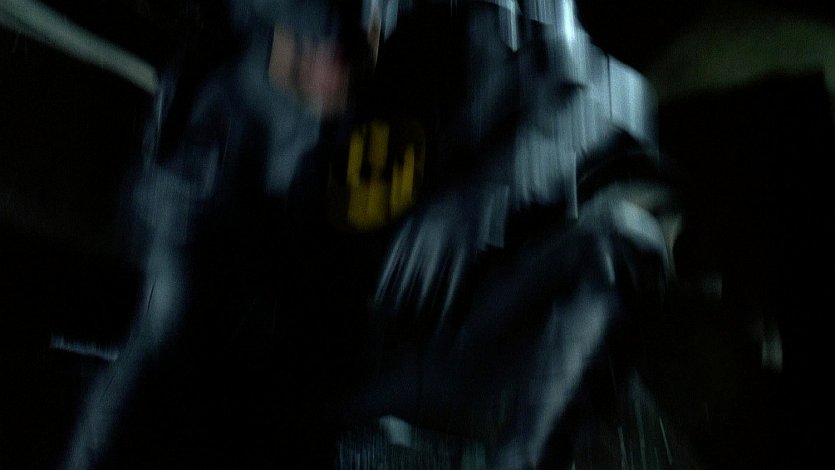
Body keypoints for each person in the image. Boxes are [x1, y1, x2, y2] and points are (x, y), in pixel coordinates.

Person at [62, 1, 676, 468]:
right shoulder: (217, 96)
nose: (337, 64)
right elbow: (164, 294)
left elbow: (614, 97)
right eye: (313, 46)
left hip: (423, 335)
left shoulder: (457, 28)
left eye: (356, 38)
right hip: (285, 370)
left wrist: (481, 196)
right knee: (168, 333)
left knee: (624, 242)